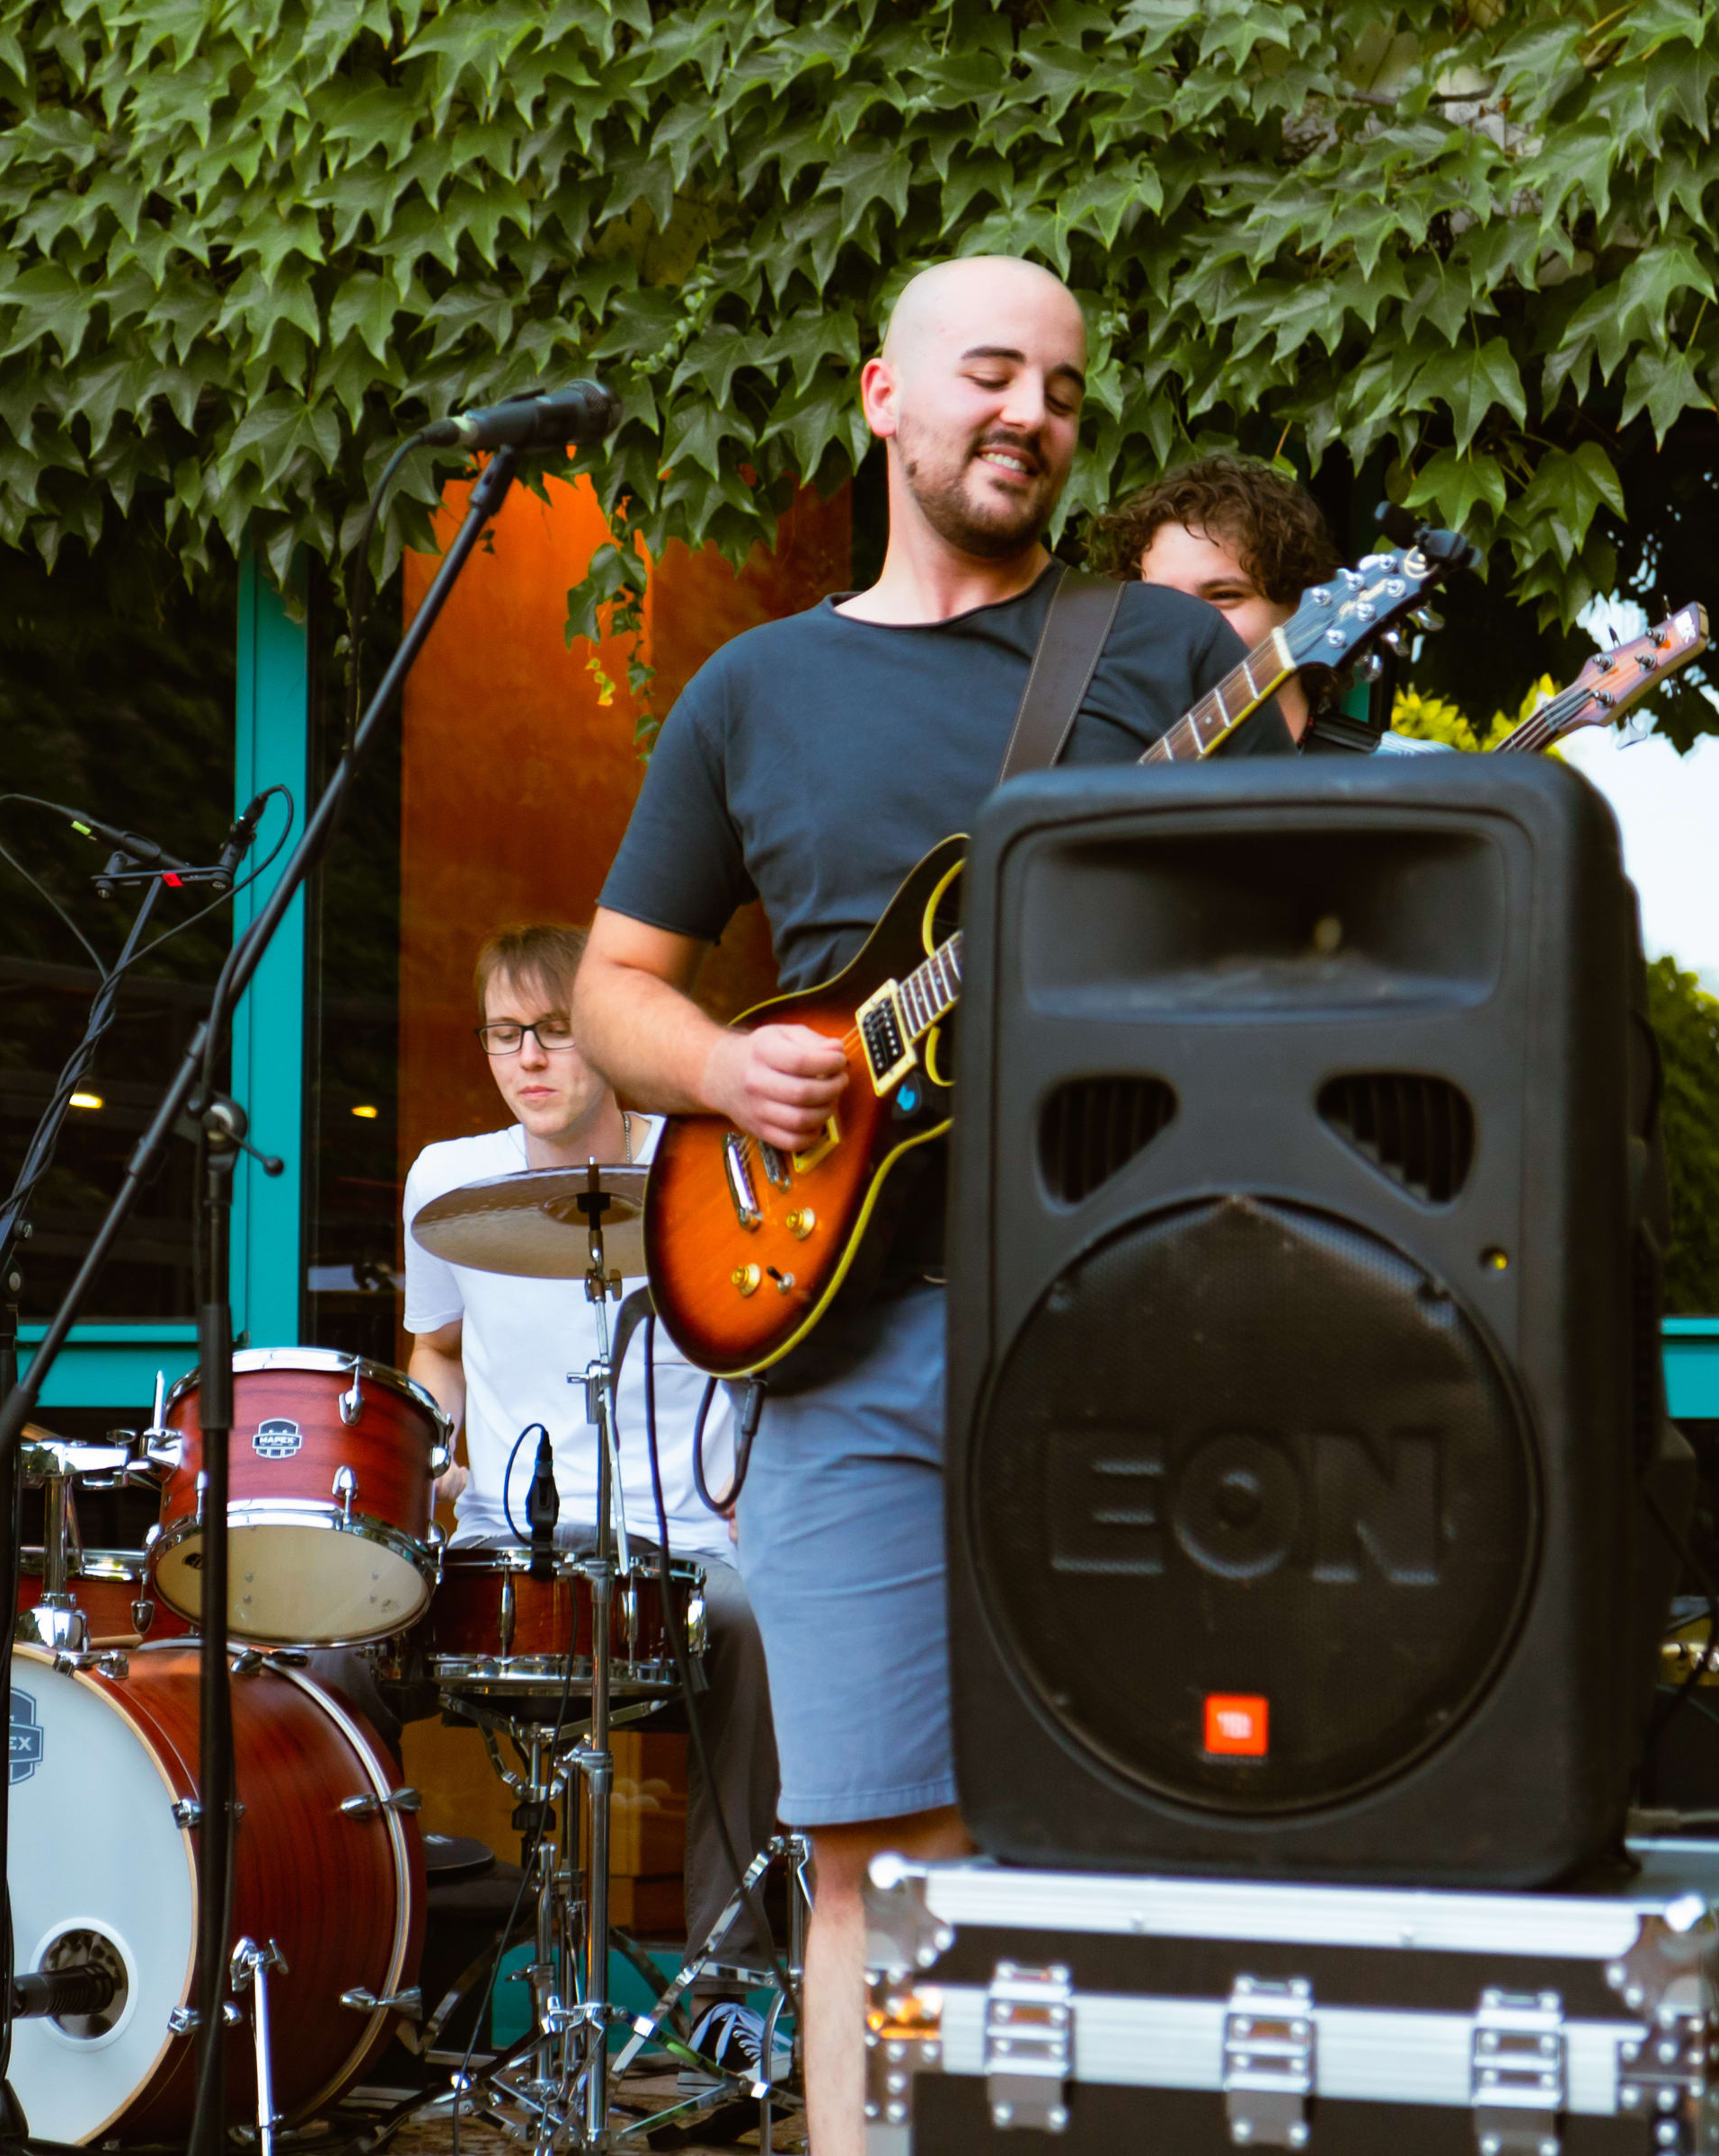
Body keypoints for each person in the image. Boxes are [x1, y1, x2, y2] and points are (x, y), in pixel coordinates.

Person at [574, 256, 1292, 2156]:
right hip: (848, 1346)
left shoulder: (1163, 658)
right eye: (992, 375)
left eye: (1061, 390)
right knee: (878, 1863)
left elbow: (1305, 947)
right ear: (882, 394)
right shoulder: (758, 692)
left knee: (1154, 1833)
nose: (1030, 416)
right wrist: (730, 1071)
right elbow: (614, 994)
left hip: (1128, 1316)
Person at [400, 923, 786, 2087]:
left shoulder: (701, 1170)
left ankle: (727, 1986)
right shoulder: (447, 1178)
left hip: (680, 1543)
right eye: (505, 1034)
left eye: (556, 1031)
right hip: (503, 1539)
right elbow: (436, 1347)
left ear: (608, 1040)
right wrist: (432, 1450)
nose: (529, 1058)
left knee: (758, 1625)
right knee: (334, 1651)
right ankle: (374, 1965)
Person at [1085, 451, 1341, 738]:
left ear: (1299, 607)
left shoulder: (1390, 775)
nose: (1188, 625)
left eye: (1223, 595)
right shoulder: (1104, 766)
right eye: (1158, 600)